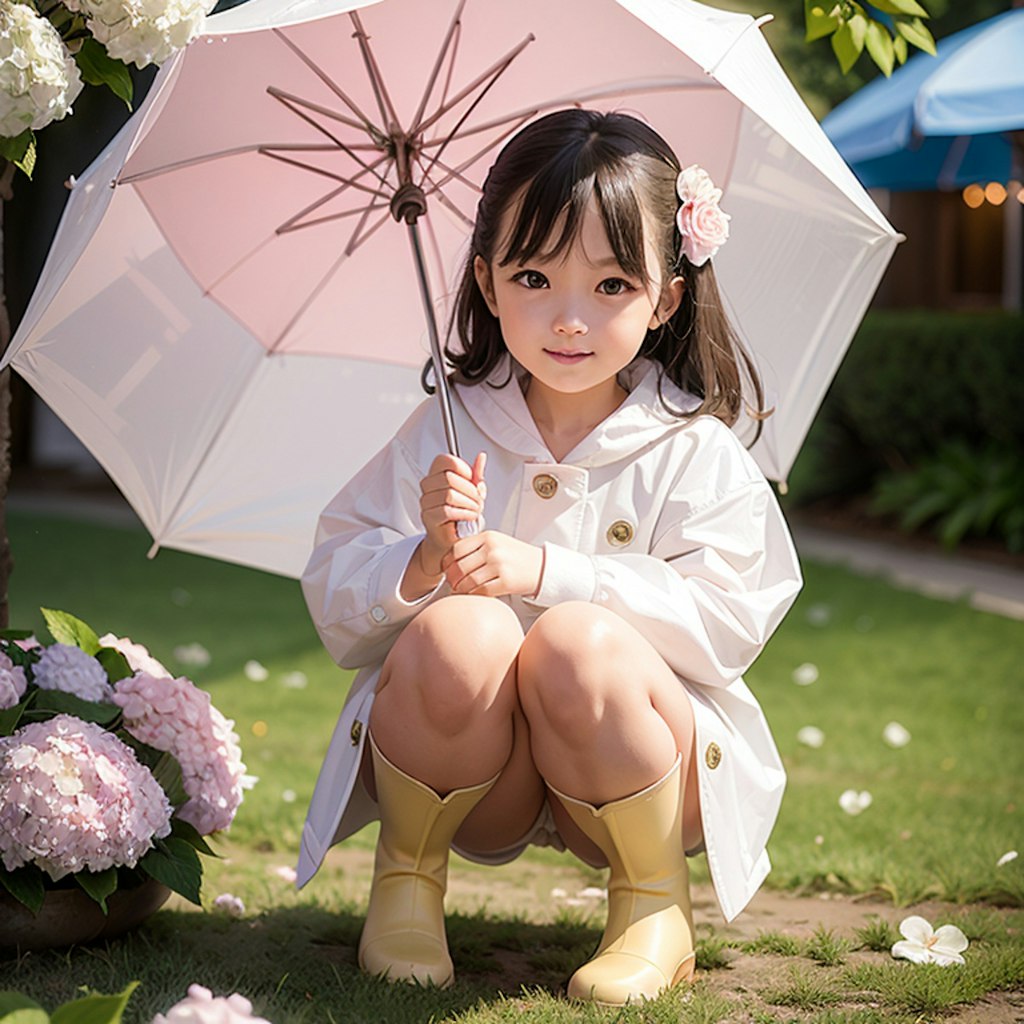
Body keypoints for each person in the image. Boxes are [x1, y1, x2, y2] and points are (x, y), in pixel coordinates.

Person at [298, 108, 802, 1006]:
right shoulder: (450, 429)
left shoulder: (691, 447)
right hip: (479, 777)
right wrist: (418, 563)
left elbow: (731, 618)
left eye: (612, 286)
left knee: (578, 642)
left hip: (635, 769)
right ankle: (407, 881)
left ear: (667, 298)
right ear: (488, 284)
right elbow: (336, 583)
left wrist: (551, 575)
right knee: (457, 633)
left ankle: (652, 904)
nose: (571, 320)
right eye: (535, 276)